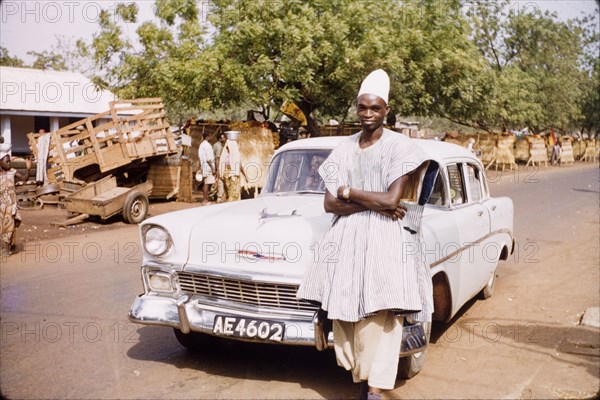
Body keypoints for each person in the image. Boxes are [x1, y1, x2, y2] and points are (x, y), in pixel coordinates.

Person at [297, 70, 436, 400]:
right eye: (362, 108)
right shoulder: (345, 148)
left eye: (375, 108)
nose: (368, 114)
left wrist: (351, 192)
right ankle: (365, 384)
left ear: (386, 109)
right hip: (346, 241)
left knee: (381, 314)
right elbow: (331, 204)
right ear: (356, 109)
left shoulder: (398, 147)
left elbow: (393, 199)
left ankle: (375, 390)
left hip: (385, 240)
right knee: (349, 317)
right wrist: (366, 200)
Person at [1, 143, 32, 257]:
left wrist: (28, 168)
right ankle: (9, 245)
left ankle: (6, 248)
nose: (8, 163)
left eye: (9, 161)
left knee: (10, 225)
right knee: (2, 227)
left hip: (11, 204)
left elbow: (24, 178)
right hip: (1, 205)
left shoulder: (12, 171)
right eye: (6, 161)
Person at [219, 131, 248, 202]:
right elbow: (222, 164)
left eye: (228, 146)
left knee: (234, 193)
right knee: (229, 192)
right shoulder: (225, 155)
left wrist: (245, 176)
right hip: (227, 176)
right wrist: (221, 174)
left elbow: (240, 166)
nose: (227, 147)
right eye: (227, 146)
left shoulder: (235, 155)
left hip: (234, 176)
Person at [198, 132, 217, 205]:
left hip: (204, 166)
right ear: (207, 137)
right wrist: (213, 169)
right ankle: (205, 200)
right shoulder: (208, 146)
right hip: (208, 166)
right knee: (207, 184)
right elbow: (209, 159)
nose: (211, 138)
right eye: (210, 136)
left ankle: (205, 199)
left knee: (206, 183)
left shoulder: (201, 145)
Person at [212, 133, 227, 203]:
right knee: (220, 181)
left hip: (214, 165)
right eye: (223, 138)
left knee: (215, 181)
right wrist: (218, 169)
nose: (224, 139)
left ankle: (212, 196)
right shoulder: (219, 147)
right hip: (217, 165)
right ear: (219, 139)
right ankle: (219, 197)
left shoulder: (216, 144)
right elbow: (217, 158)